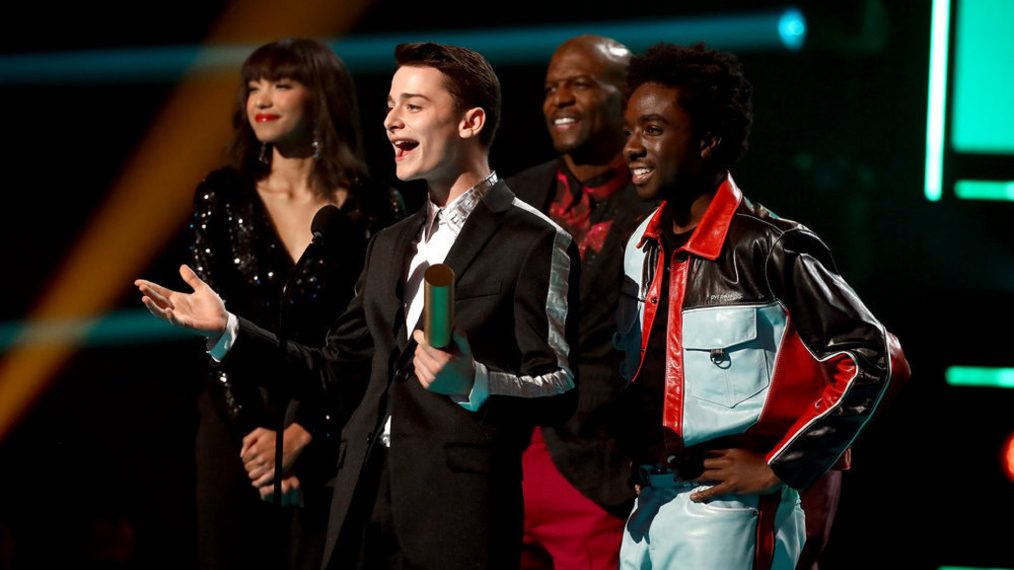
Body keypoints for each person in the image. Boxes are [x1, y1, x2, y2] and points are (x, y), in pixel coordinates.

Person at [136, 42, 580, 570]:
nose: (392, 121)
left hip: (454, 513)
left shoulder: (532, 239)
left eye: (413, 106)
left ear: (470, 121)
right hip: (359, 505)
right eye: (391, 105)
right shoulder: (391, 242)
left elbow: (558, 387)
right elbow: (334, 371)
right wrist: (228, 331)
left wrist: (473, 381)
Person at [614, 42, 905, 569]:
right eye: (631, 130)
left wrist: (783, 466)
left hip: (727, 510)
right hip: (646, 506)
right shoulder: (641, 244)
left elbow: (875, 358)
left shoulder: (769, 245)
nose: (632, 146)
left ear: (707, 140)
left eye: (653, 130)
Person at [186, 37, 402, 570]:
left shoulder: (375, 205)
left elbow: (381, 331)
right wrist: (258, 442)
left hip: (336, 421)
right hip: (237, 424)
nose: (262, 98)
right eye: (254, 86)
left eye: (282, 84)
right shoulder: (223, 194)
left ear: (321, 96)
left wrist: (307, 431)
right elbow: (207, 326)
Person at [506, 35, 653, 570]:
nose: (560, 99)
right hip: (505, 463)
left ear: (629, 99)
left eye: (580, 84)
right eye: (551, 88)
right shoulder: (512, 197)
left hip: (600, 470)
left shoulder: (662, 202)